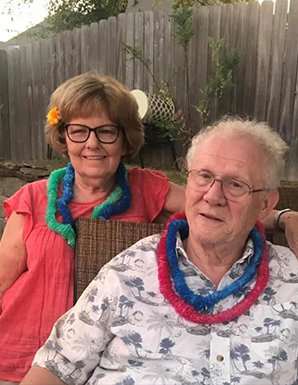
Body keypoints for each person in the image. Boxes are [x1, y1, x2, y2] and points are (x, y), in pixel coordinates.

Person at [22, 118, 298, 385]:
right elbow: (56, 367)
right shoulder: (128, 271)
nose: (213, 196)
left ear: (265, 204)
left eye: (236, 184)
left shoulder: (292, 277)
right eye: (203, 176)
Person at [0, 71, 185, 383]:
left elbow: (215, 204)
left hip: (108, 366)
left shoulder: (146, 189)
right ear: (64, 136)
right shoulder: (33, 199)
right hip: (20, 359)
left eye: (106, 131)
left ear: (125, 138)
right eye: (79, 131)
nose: (92, 144)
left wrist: (283, 217)